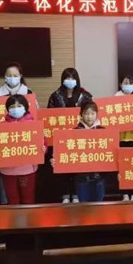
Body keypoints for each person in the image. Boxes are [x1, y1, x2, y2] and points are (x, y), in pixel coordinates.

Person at [47, 68, 93, 204]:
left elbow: (91, 114)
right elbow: (49, 117)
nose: (70, 81)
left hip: (79, 137)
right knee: (62, 165)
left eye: (73, 78)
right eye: (67, 78)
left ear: (77, 80)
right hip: (60, 138)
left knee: (77, 165)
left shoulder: (85, 96)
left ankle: (77, 194)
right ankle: (65, 194)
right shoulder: (55, 95)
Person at [0, 62, 34, 205]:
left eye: (15, 75)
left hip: (27, 165)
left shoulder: (29, 93)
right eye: (9, 75)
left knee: (27, 198)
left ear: (20, 76)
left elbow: (38, 131)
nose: (12, 78)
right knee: (10, 199)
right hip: (7, 166)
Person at [0, 95, 43, 205]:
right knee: (12, 200)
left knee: (28, 199)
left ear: (25, 107)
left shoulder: (33, 124)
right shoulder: (1, 126)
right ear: (7, 109)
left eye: (19, 106)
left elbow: (43, 142)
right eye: (12, 106)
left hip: (27, 169)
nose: (15, 109)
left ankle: (28, 217)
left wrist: (43, 148)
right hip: (8, 170)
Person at [74, 101, 106, 202]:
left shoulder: (104, 131)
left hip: (99, 177)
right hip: (81, 177)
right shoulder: (74, 132)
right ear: (81, 114)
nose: (89, 117)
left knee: (98, 206)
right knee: (84, 206)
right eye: (86, 113)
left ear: (97, 114)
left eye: (92, 113)